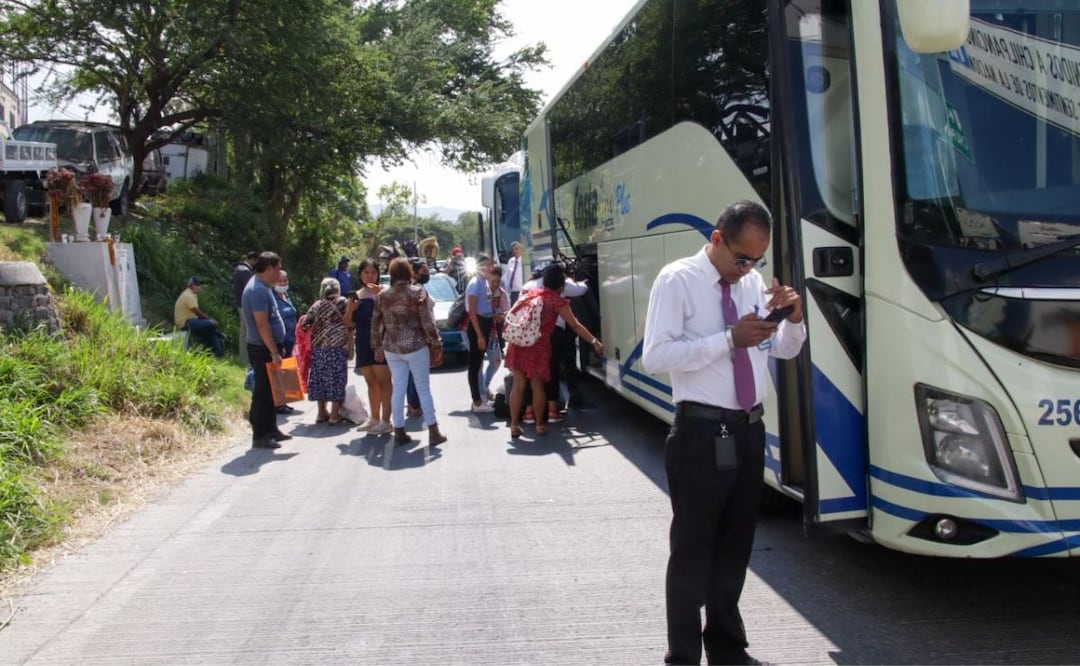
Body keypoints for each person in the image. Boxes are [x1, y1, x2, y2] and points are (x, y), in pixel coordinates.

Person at [641, 200, 807, 666]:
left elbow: (782, 350)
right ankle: (683, 657)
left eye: (757, 259)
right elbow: (655, 356)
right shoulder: (677, 280)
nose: (748, 268)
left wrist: (792, 318)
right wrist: (729, 339)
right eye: (742, 258)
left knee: (735, 547)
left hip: (749, 429)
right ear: (716, 239)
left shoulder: (751, 283)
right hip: (700, 431)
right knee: (693, 550)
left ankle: (728, 649)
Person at [506, 264, 603, 439]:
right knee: (537, 385)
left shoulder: (531, 294)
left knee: (518, 385)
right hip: (538, 346)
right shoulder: (557, 302)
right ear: (561, 285)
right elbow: (575, 325)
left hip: (519, 343)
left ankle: (514, 425)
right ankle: (539, 425)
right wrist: (594, 341)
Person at [372, 258, 447, 447]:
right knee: (423, 389)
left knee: (398, 389)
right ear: (408, 273)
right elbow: (427, 321)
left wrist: (377, 346)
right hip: (415, 346)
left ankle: (399, 430)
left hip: (392, 347)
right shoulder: (416, 293)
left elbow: (376, 323)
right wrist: (436, 343)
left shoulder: (382, 295)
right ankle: (433, 431)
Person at [519, 268, 589, 424]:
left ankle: (528, 413)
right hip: (553, 335)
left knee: (530, 374)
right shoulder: (557, 297)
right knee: (551, 371)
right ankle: (552, 411)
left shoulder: (528, 287)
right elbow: (582, 290)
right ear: (560, 284)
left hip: (528, 335)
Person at [241, 251, 289, 449]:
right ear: (268, 268)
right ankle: (260, 435)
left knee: (272, 391)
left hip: (269, 347)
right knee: (262, 392)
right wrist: (273, 351)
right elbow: (262, 325)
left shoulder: (264, 287)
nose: (279, 273)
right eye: (278, 269)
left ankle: (271, 429)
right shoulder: (257, 290)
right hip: (262, 348)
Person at [302, 277, 357, 425]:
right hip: (337, 347)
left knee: (320, 380)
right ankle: (334, 415)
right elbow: (351, 322)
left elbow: (305, 325)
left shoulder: (316, 305)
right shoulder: (343, 302)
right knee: (337, 380)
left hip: (319, 348)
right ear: (338, 289)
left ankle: (321, 413)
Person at [352, 259, 394, 435]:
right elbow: (349, 323)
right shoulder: (356, 295)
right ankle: (374, 418)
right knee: (371, 382)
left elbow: (392, 318)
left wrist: (381, 297)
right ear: (360, 275)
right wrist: (351, 309)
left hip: (382, 342)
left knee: (384, 381)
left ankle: (386, 420)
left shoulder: (385, 292)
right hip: (362, 342)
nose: (370, 276)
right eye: (366, 272)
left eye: (373, 272)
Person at [464, 254, 497, 413]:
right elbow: (472, 312)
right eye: (488, 265)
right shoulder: (475, 283)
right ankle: (477, 401)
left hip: (486, 323)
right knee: (475, 365)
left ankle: (480, 399)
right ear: (481, 265)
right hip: (477, 325)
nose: (491, 268)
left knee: (478, 363)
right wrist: (479, 336)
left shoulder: (484, 282)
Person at [173, 276, 224, 357]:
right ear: (191, 286)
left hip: (191, 321)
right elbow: (197, 312)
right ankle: (220, 336)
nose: (199, 287)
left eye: (200, 285)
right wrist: (210, 320)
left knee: (210, 331)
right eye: (197, 285)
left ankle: (218, 355)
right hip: (184, 323)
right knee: (211, 324)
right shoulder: (188, 295)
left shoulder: (192, 294)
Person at [481, 263, 510, 400]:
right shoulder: (480, 291)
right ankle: (481, 394)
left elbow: (507, 313)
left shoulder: (501, 294)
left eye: (498, 281)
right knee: (478, 364)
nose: (495, 284)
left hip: (492, 332)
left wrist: (500, 317)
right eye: (493, 281)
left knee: (496, 360)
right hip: (474, 330)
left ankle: (484, 387)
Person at [274, 270, 299, 414]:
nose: (283, 283)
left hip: (290, 339)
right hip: (281, 340)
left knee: (287, 371)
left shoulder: (286, 296)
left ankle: (285, 401)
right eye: (280, 281)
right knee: (279, 372)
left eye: (285, 280)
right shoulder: (272, 298)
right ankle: (278, 403)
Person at [232, 250, 258, 363]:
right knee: (249, 331)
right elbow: (250, 290)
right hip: (245, 305)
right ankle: (248, 358)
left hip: (239, 303)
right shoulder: (246, 271)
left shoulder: (238, 268)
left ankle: (243, 357)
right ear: (253, 259)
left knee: (243, 331)